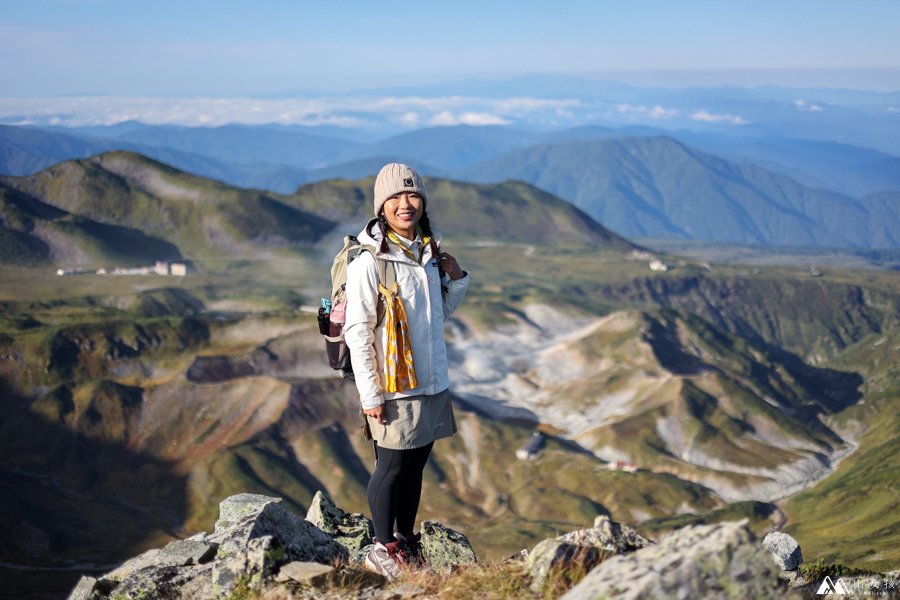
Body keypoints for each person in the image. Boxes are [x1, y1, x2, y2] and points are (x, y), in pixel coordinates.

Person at [344, 163, 469, 580]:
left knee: (415, 466)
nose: (405, 204)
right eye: (395, 198)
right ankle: (381, 548)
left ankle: (405, 539)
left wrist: (457, 279)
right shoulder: (370, 262)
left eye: (413, 196)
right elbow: (358, 332)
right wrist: (370, 395)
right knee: (392, 467)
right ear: (381, 206)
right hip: (393, 385)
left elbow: (439, 316)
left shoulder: (428, 255)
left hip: (429, 380)